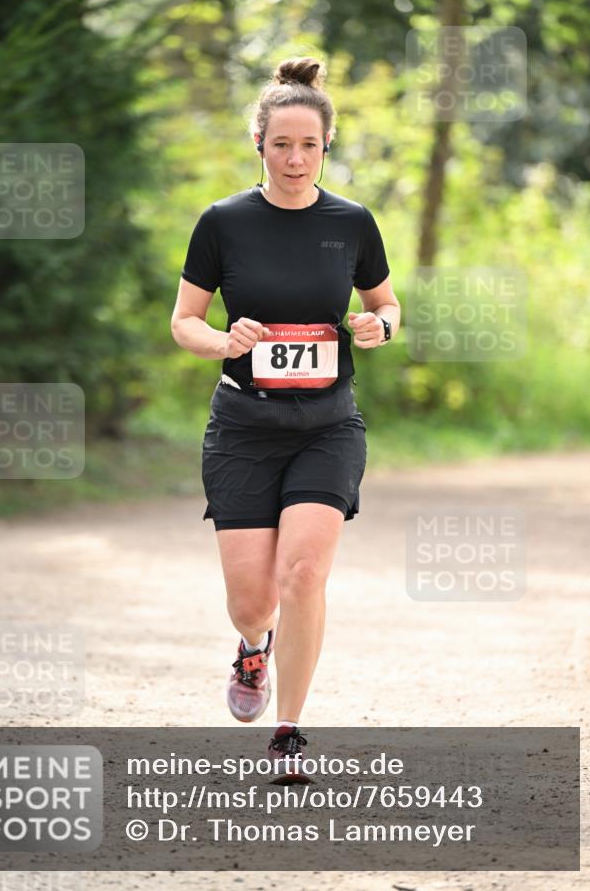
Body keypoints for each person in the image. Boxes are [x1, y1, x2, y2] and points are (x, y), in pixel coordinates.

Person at [171, 56, 400, 783]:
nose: (295, 158)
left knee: (303, 573)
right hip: (242, 426)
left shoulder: (353, 223)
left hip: (327, 425)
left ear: (326, 145)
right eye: (281, 145)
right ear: (259, 146)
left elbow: (385, 303)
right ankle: (251, 647)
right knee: (252, 599)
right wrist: (222, 340)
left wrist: (379, 327)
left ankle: (289, 731)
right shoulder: (222, 223)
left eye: (308, 145)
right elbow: (183, 321)